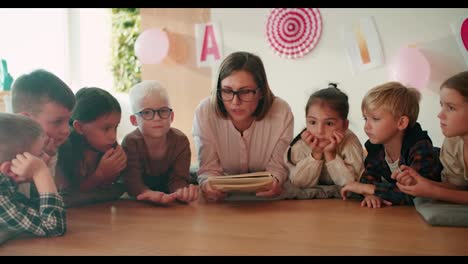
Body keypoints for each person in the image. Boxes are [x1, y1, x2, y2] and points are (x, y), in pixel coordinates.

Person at [192, 51, 293, 202]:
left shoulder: (281, 111)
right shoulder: (205, 112)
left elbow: (278, 168)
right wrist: (208, 185)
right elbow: (208, 168)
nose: (235, 102)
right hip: (224, 204)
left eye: (245, 92)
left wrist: (276, 181)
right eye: (226, 91)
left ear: (261, 92)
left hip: (267, 202)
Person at [341, 82, 442, 208]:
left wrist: (370, 189)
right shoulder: (376, 148)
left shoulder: (420, 148)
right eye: (365, 119)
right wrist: (370, 195)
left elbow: (419, 193)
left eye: (375, 119)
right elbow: (369, 178)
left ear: (401, 123)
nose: (367, 126)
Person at [393, 71, 468, 204]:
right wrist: (422, 183)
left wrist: (433, 192)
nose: (440, 114)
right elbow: (458, 188)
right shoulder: (453, 142)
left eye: (451, 108)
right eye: (441, 105)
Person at [122, 80, 198, 205]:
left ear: (171, 116)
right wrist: (147, 193)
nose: (157, 118)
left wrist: (181, 192)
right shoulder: (130, 143)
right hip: (139, 201)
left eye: (162, 111)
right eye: (146, 112)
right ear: (134, 120)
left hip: (168, 194)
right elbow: (132, 182)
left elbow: (178, 179)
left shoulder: (180, 141)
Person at [0, 113, 66, 244]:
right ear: (9, 169)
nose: (46, 158)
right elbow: (53, 227)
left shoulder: (7, 186)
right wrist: (41, 172)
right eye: (40, 155)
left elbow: (37, 210)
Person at [286, 83, 364, 191]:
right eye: (313, 122)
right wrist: (316, 154)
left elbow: (352, 184)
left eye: (329, 124)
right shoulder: (301, 144)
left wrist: (330, 155)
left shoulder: (350, 143)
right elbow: (298, 183)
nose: (319, 131)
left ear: (345, 125)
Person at [56, 87, 126, 207]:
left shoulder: (110, 149)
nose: (113, 137)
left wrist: (112, 176)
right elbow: (66, 196)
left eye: (116, 127)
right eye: (106, 129)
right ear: (79, 127)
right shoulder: (64, 150)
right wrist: (100, 175)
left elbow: (118, 188)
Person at [11, 69, 75, 197]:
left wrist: (48, 159)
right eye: (57, 122)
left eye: (68, 120)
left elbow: (49, 200)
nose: (67, 130)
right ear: (26, 120)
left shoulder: (50, 149)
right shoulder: (7, 153)